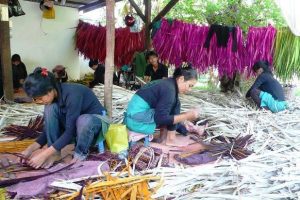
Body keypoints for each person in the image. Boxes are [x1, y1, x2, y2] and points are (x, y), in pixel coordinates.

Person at [21, 67, 106, 169]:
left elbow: (70, 132)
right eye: (36, 99)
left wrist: (44, 154)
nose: (39, 101)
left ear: (50, 91)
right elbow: (49, 128)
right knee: (50, 108)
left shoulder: (73, 94)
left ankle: (80, 154)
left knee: (83, 120)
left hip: (95, 122)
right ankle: (55, 153)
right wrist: (30, 149)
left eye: (40, 98)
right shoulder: (52, 98)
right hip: (77, 125)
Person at [124, 64, 199, 147]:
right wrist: (186, 115)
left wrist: (184, 119)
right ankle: (170, 139)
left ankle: (166, 137)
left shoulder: (170, 84)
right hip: (134, 120)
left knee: (176, 104)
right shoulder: (169, 89)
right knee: (169, 111)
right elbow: (160, 118)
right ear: (181, 79)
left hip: (135, 116)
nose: (189, 89)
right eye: (190, 86)